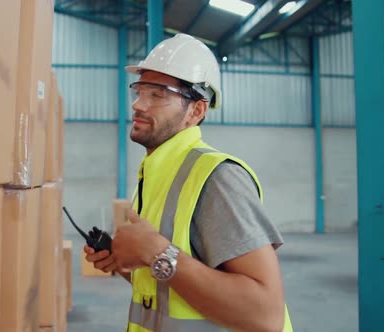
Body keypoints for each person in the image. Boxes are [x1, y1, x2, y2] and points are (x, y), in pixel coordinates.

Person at [84, 33, 293, 332]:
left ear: (196, 111)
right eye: (139, 91)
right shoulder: (157, 173)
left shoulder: (216, 178)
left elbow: (265, 314)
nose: (138, 105)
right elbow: (172, 285)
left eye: (157, 95)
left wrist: (156, 252)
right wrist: (126, 260)